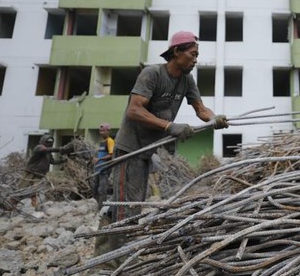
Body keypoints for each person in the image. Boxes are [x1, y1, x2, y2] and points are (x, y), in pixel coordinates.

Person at [94, 31, 228, 257]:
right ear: (176, 52)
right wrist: (169, 126)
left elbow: (200, 109)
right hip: (130, 148)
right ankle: (107, 259)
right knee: (124, 202)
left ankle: (120, 253)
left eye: (197, 55)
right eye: (193, 54)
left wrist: (215, 119)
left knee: (134, 203)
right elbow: (134, 110)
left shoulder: (186, 80)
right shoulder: (152, 74)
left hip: (148, 150)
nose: (196, 59)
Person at [19, 134, 73, 207]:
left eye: (51, 142)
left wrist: (63, 161)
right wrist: (61, 149)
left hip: (40, 174)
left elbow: (53, 162)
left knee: (35, 190)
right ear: (43, 141)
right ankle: (11, 203)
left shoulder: (48, 152)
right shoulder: (39, 148)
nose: (49, 144)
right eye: (48, 142)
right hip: (30, 172)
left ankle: (34, 205)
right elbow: (46, 149)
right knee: (21, 188)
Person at [92, 122, 114, 209]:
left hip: (105, 168)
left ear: (108, 131)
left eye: (103, 131)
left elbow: (111, 155)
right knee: (95, 188)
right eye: (100, 131)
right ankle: (96, 206)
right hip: (98, 168)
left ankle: (101, 208)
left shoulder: (110, 141)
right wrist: (95, 158)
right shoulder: (102, 142)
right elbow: (99, 154)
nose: (101, 133)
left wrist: (100, 159)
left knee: (102, 189)